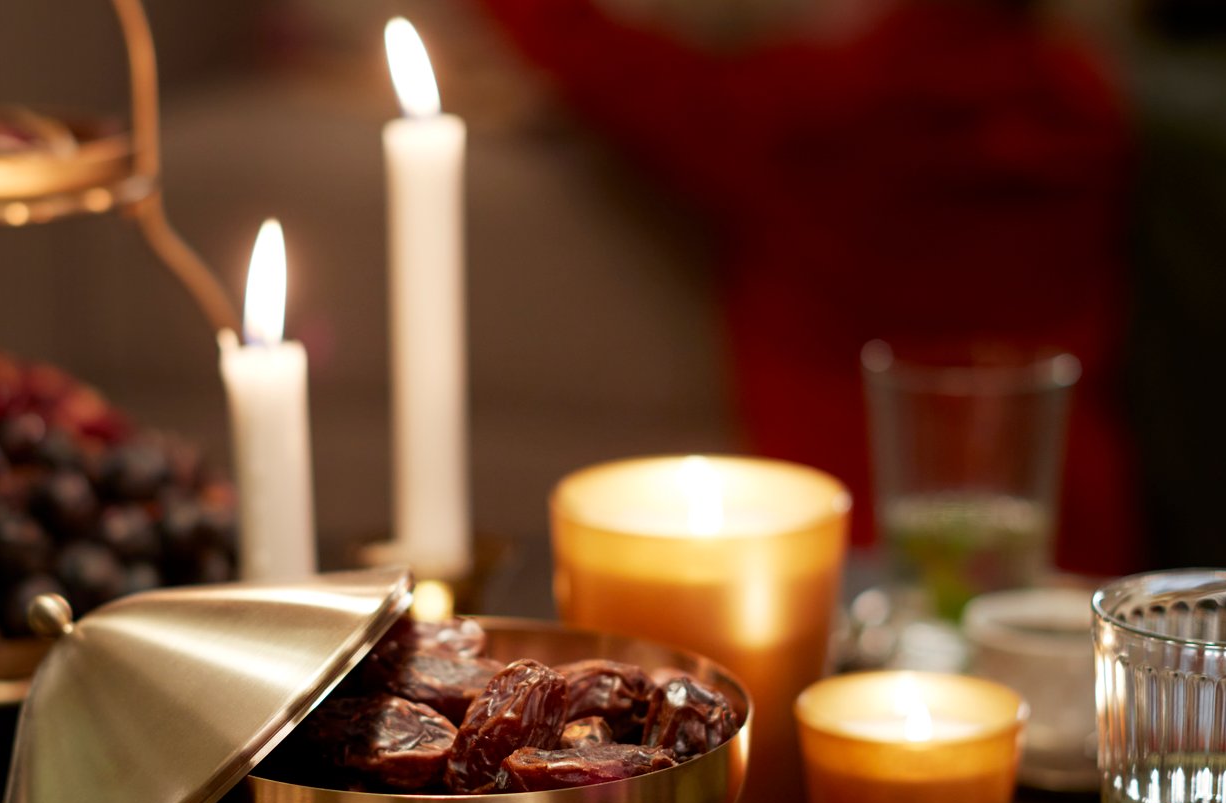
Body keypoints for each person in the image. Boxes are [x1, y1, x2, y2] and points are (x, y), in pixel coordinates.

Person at [475, 0, 1140, 574]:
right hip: (1069, 517)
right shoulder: (1084, 99)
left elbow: (609, 67)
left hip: (862, 533)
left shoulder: (818, 112)